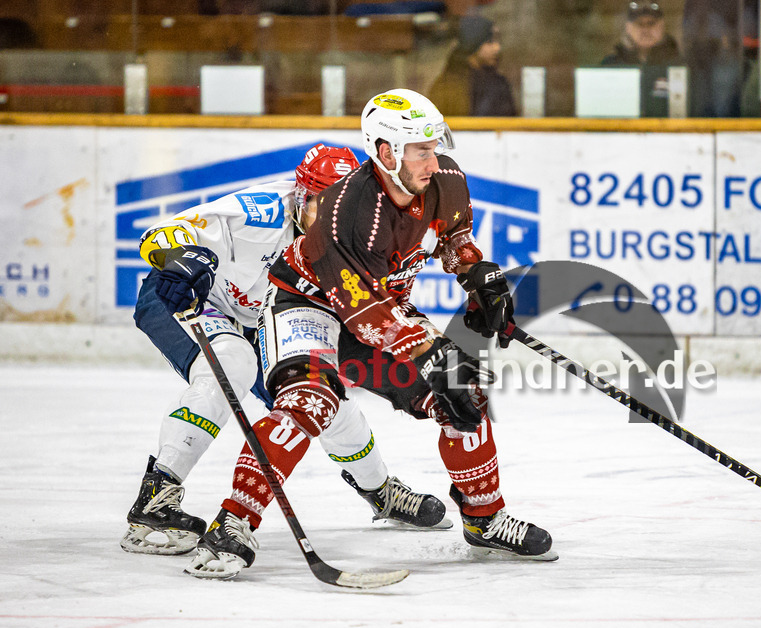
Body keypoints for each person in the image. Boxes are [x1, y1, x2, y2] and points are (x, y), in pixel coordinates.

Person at [185, 88, 555, 579]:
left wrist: (479, 279)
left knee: (463, 391)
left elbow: (454, 238)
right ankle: (232, 523)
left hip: (382, 306)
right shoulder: (347, 211)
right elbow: (365, 315)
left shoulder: (444, 179)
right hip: (308, 304)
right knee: (309, 402)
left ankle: (484, 519)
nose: (432, 160)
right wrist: (432, 351)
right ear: (386, 152)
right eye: (420, 150)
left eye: (433, 147)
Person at [122, 144, 451, 557]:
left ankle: (380, 492)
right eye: (321, 205)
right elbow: (163, 233)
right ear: (299, 196)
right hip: (186, 297)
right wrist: (179, 260)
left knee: (329, 404)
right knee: (232, 363)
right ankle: (157, 495)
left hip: (263, 320)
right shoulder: (261, 211)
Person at [601, 1, 684, 117]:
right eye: (639, 24)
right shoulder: (611, 66)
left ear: (662, 26)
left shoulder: (679, 66)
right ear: (628, 27)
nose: (645, 30)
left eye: (651, 23)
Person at [428, 15, 517, 117]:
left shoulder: (499, 83)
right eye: (489, 42)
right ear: (473, 44)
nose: (497, 48)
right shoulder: (448, 85)